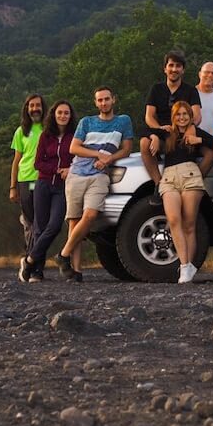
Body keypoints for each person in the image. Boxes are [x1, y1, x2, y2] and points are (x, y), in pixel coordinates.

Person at [54, 87, 134, 281]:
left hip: (99, 175)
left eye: (106, 99)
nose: (103, 103)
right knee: (74, 222)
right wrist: (97, 154)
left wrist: (109, 159)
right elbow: (74, 147)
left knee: (90, 216)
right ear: (96, 102)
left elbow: (127, 149)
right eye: (100, 100)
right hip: (77, 173)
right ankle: (76, 272)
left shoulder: (123, 121)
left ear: (113, 100)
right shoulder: (87, 122)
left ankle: (62, 255)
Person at [146, 101, 213, 283]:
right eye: (178, 114)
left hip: (191, 176)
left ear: (191, 117)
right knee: (174, 220)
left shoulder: (195, 133)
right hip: (168, 179)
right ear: (173, 117)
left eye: (185, 114)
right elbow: (144, 133)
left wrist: (198, 140)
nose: (182, 117)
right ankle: (185, 265)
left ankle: (187, 267)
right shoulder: (168, 133)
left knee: (189, 224)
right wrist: (154, 136)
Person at [18, 100, 77, 283]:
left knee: (55, 226)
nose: (63, 116)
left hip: (62, 188)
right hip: (43, 184)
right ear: (53, 114)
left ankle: (28, 260)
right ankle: (36, 271)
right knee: (39, 228)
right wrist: (56, 169)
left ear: (70, 116)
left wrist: (69, 168)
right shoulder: (46, 136)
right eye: (60, 113)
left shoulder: (74, 137)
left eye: (66, 113)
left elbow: (78, 158)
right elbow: (38, 163)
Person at [141, 51, 202, 200]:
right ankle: (159, 184)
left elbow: (197, 116)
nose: (174, 69)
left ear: (183, 70)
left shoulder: (190, 90)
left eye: (178, 66)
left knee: (210, 152)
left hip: (184, 132)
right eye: (171, 65)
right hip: (163, 132)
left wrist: (187, 130)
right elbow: (149, 116)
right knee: (144, 143)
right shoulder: (156, 89)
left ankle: (194, 183)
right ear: (165, 68)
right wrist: (157, 131)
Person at [9, 94, 44, 254]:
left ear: (43, 108)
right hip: (24, 180)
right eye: (32, 106)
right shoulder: (20, 131)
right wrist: (12, 187)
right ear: (27, 109)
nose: (35, 108)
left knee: (42, 222)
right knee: (29, 222)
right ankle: (29, 257)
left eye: (38, 105)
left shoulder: (49, 129)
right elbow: (16, 160)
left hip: (44, 180)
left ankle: (35, 259)